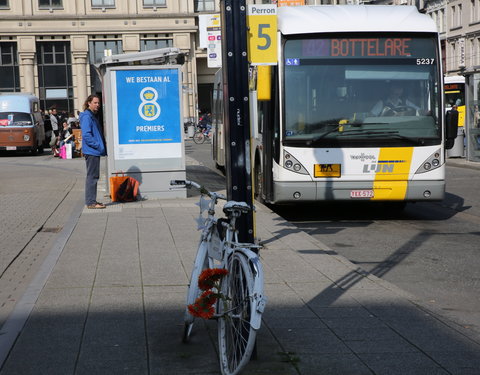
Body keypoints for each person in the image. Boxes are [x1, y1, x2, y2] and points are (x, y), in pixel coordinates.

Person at [79, 94, 107, 209]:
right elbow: (86, 135)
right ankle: (91, 202)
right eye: (95, 103)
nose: (97, 105)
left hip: (93, 150)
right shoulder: (87, 116)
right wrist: (98, 146)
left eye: (98, 103)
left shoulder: (92, 115)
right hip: (92, 151)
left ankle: (92, 201)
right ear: (89, 103)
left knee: (93, 176)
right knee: (92, 176)